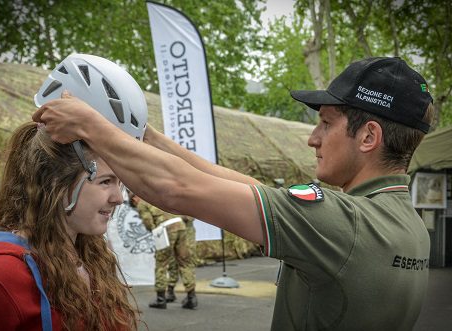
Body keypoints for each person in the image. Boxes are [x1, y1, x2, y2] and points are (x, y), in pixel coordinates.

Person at [33, 56, 433, 330]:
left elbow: (175, 188)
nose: (313, 138)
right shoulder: (404, 225)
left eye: (326, 123)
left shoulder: (348, 224)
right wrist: (147, 136)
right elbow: (251, 190)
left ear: (368, 136)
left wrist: (91, 127)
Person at [0, 122, 140, 330]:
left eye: (119, 184)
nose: (118, 198)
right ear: (55, 184)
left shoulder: (92, 254)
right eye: (105, 181)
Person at [136, 197, 197, 309]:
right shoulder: (157, 194)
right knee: (185, 262)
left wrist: (156, 231)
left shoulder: (142, 203)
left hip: (165, 229)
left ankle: (160, 299)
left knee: (161, 264)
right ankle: (191, 297)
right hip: (180, 225)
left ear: (134, 198)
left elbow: (148, 223)